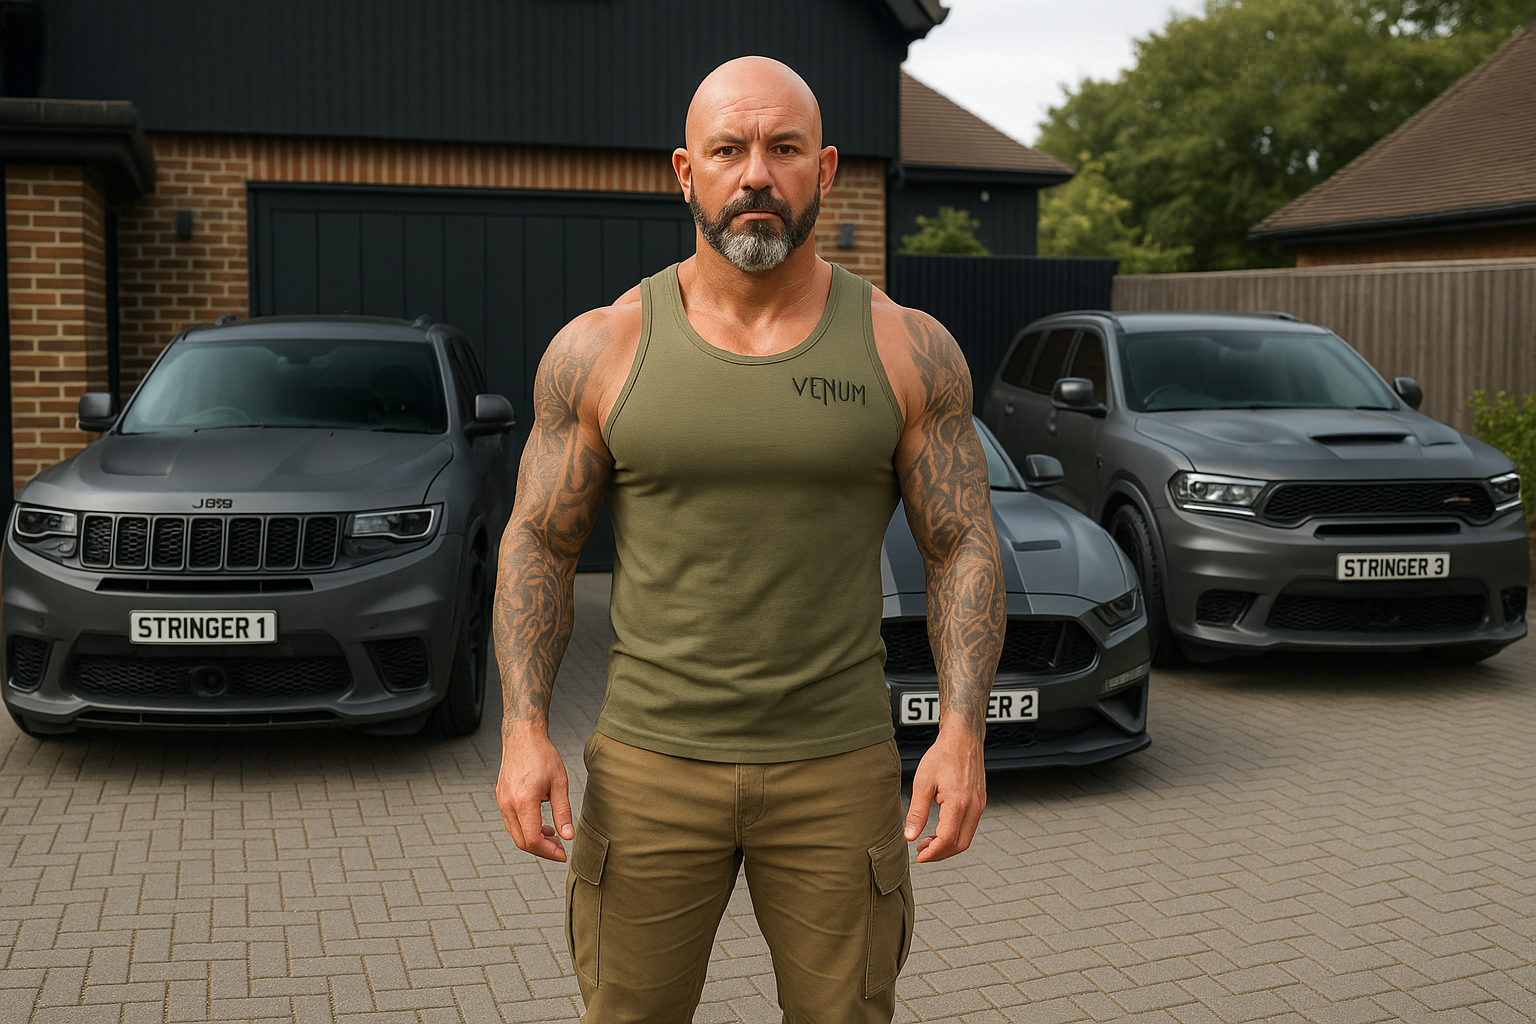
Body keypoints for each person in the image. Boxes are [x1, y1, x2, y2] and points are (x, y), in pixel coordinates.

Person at [494, 56, 1005, 1023]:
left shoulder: (907, 346)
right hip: (648, 768)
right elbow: (537, 544)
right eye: (729, 150)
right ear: (686, 172)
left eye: (784, 148)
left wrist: (962, 730)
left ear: (828, 168)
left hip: (840, 768)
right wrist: (523, 731)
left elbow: (963, 545)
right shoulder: (601, 345)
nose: (756, 174)